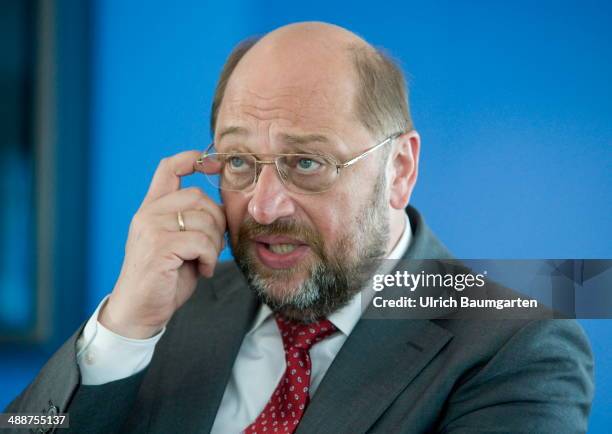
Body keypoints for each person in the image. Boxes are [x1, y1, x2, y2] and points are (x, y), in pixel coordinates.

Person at [6, 21, 593, 433]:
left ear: (400, 171)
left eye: (306, 163)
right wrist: (121, 331)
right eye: (239, 162)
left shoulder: (515, 346)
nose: (263, 207)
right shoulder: (170, 306)